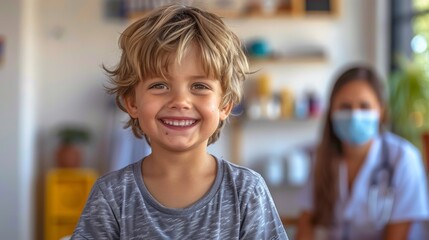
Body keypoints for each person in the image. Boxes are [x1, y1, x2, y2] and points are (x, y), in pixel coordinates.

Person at [71, 4, 288, 240]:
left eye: (199, 86)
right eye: (160, 85)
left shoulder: (247, 191)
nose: (180, 101)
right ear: (132, 103)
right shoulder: (111, 195)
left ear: (225, 105)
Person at [296, 66, 429, 240]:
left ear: (381, 111)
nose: (354, 115)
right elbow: (306, 225)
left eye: (364, 106)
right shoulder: (321, 156)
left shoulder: (403, 158)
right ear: (331, 112)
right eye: (345, 107)